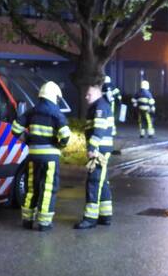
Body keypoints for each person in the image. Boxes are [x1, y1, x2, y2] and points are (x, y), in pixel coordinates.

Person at [11, 82, 71, 231]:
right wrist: (59, 145)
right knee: (48, 188)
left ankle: (27, 220)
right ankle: (44, 223)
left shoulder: (32, 111)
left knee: (31, 188)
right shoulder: (56, 113)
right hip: (50, 157)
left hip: (33, 157)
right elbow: (65, 136)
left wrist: (27, 140)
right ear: (54, 96)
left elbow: (15, 129)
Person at [75, 83, 114, 230]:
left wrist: (92, 147)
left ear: (97, 94)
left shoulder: (99, 108)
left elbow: (98, 130)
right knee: (101, 182)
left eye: (89, 94)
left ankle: (90, 219)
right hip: (102, 149)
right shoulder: (99, 106)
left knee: (94, 181)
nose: (86, 97)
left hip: (99, 150)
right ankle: (105, 216)